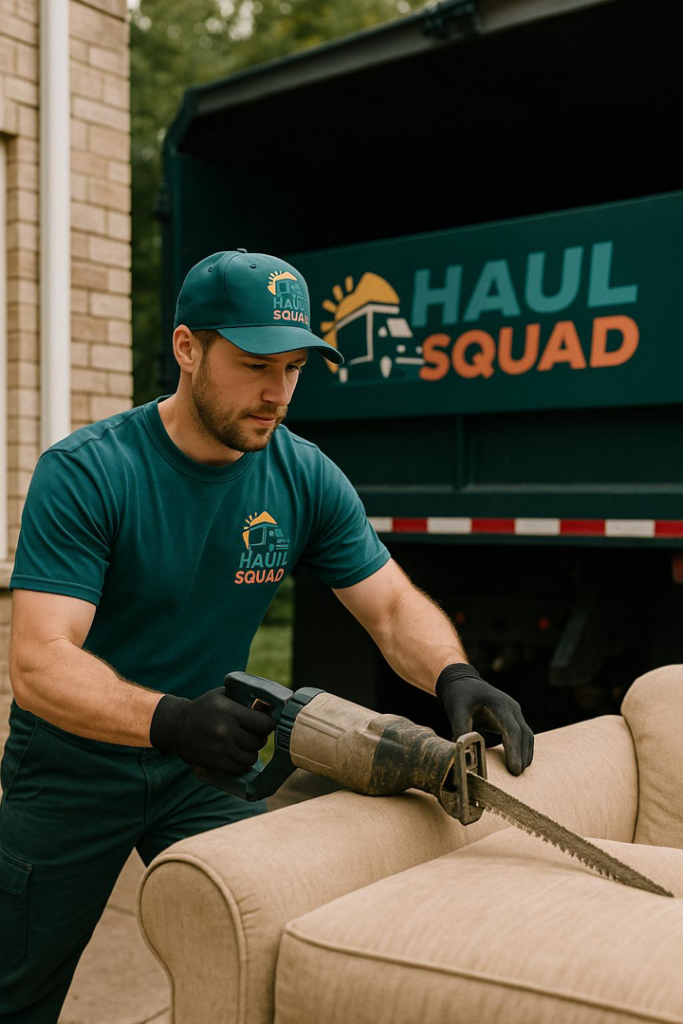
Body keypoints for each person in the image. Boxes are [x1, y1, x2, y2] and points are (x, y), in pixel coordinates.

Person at [0, 249, 533, 1021]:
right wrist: (171, 719)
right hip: (75, 770)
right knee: (17, 993)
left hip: (204, 775)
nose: (276, 393)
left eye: (292, 368)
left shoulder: (302, 474)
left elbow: (387, 606)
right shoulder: (89, 473)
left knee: (273, 962)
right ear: (187, 348)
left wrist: (454, 674)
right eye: (254, 365)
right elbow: (41, 664)